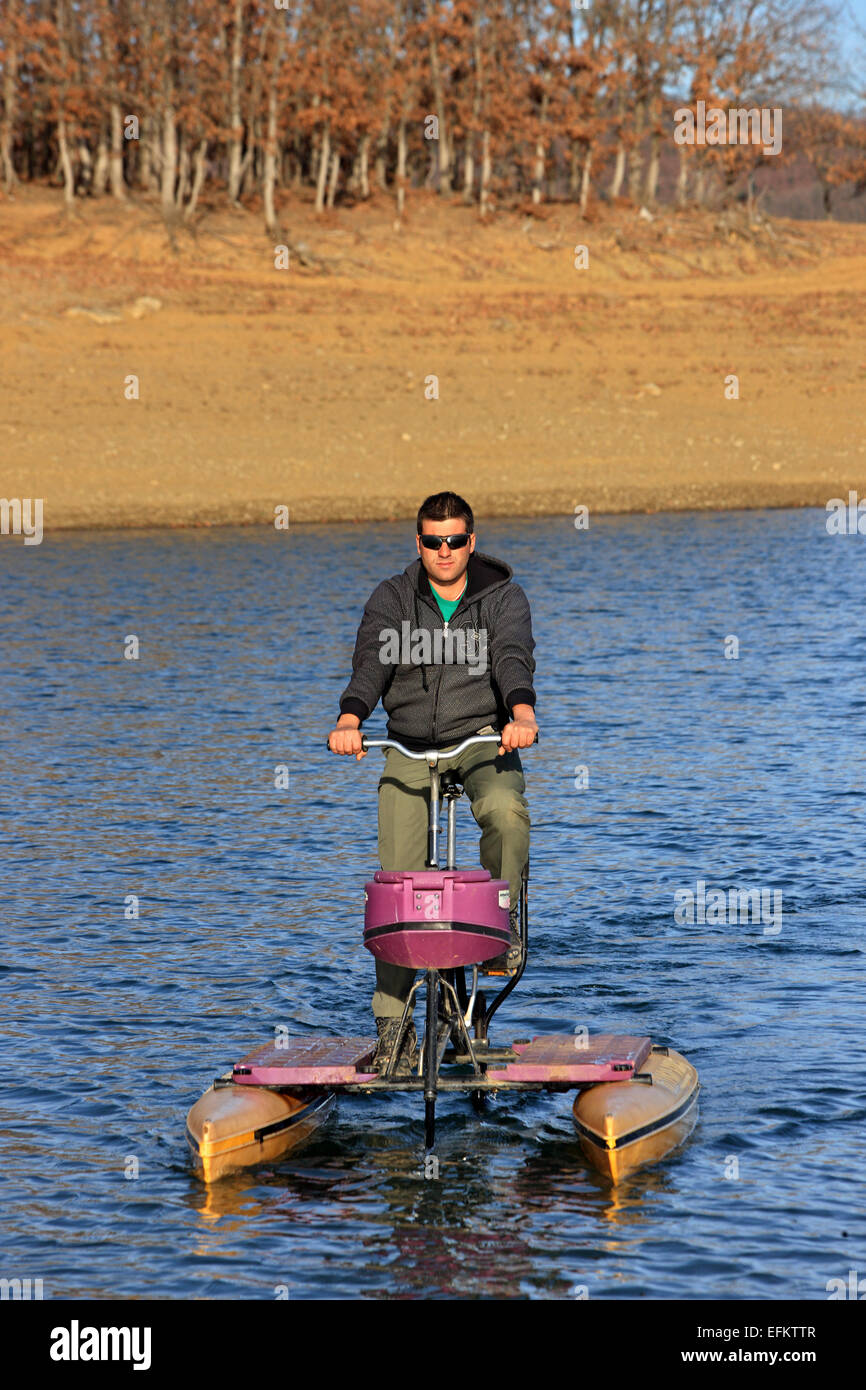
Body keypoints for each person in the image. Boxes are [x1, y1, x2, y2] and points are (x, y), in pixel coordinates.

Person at [328, 491, 538, 1073]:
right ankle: (395, 1029)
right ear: (417, 543)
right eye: (431, 541)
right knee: (398, 882)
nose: (443, 552)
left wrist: (520, 715)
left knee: (505, 811)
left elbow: (513, 660)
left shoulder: (502, 598)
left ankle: (500, 917)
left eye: (454, 541)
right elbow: (371, 664)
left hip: (481, 740)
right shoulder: (392, 598)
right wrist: (351, 719)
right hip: (409, 745)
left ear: (472, 541)